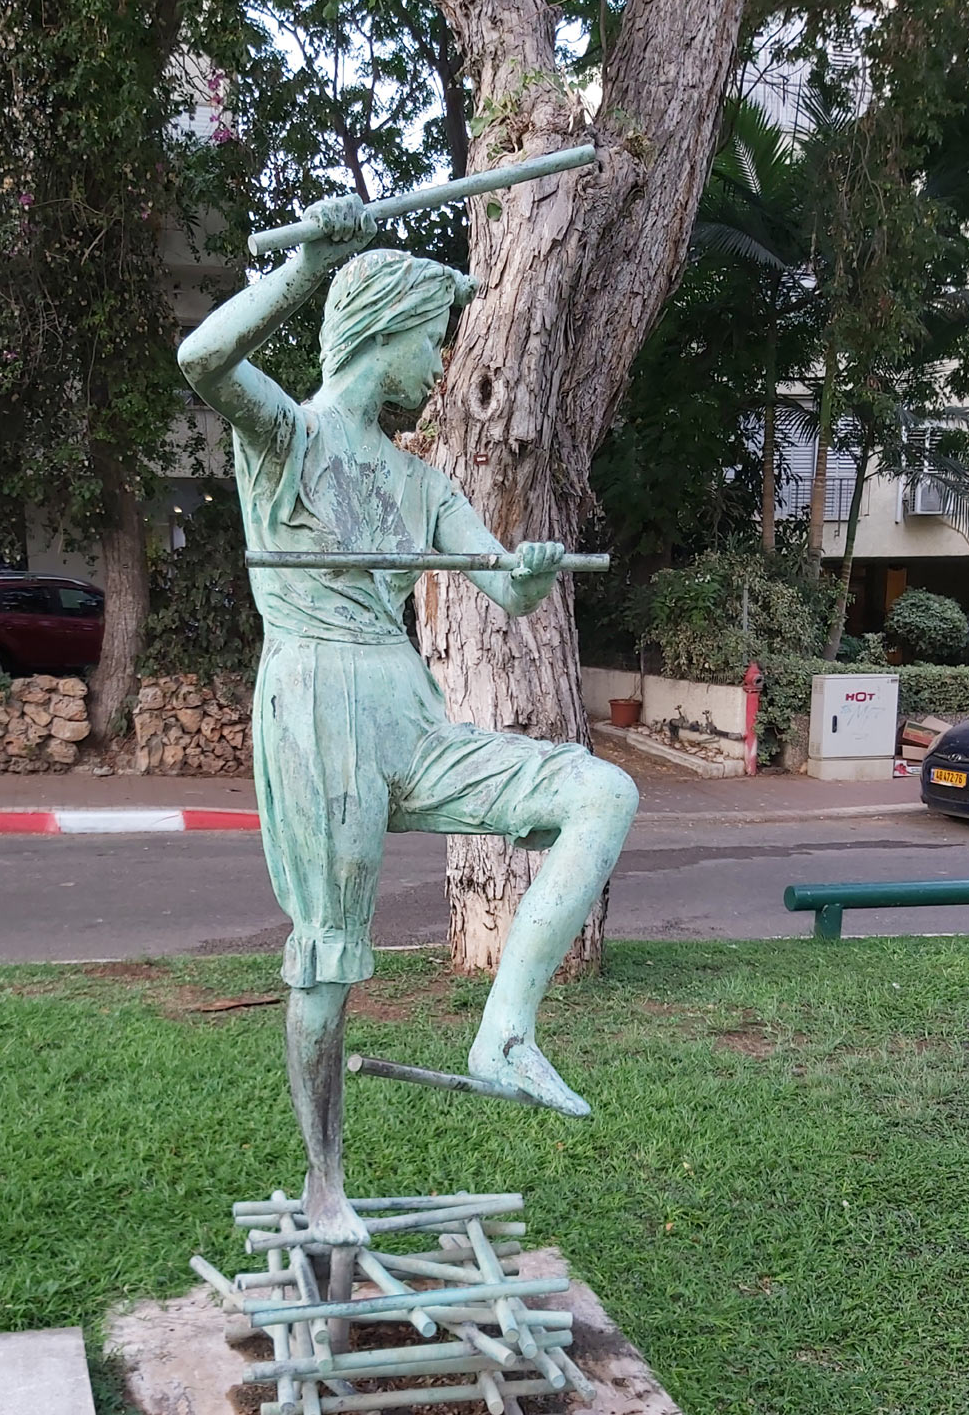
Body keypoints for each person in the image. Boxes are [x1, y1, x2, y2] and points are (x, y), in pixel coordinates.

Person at [178, 196, 638, 1245]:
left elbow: (506, 590)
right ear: (380, 330)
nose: (439, 368)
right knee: (330, 956)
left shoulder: (421, 480)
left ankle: (504, 1031)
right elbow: (202, 358)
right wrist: (302, 270)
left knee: (599, 790)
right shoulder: (286, 434)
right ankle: (324, 1180)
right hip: (319, 705)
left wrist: (522, 571)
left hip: (409, 708)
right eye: (430, 342)